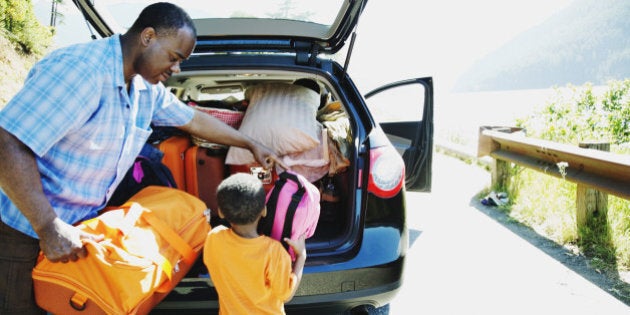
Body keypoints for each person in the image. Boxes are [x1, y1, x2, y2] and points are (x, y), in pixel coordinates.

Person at [0, 2, 285, 314]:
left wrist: (251, 143)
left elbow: (193, 120)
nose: (177, 69)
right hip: (23, 232)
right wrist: (47, 225)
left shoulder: (145, 88)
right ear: (148, 37)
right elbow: (8, 141)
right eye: (175, 58)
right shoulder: (82, 71)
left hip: (81, 229)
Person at [203, 173, 306, 315]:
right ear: (264, 210)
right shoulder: (274, 252)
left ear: (221, 212)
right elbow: (286, 295)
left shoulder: (213, 239)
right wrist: (301, 257)